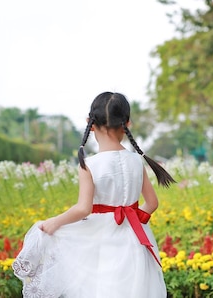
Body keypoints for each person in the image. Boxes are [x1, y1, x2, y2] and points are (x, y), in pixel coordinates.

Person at [12, 91, 176, 298]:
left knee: (100, 288)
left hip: (100, 240)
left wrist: (55, 222)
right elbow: (151, 203)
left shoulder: (89, 165)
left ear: (90, 122)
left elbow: (83, 208)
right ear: (127, 123)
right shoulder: (136, 161)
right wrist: (129, 221)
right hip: (134, 240)